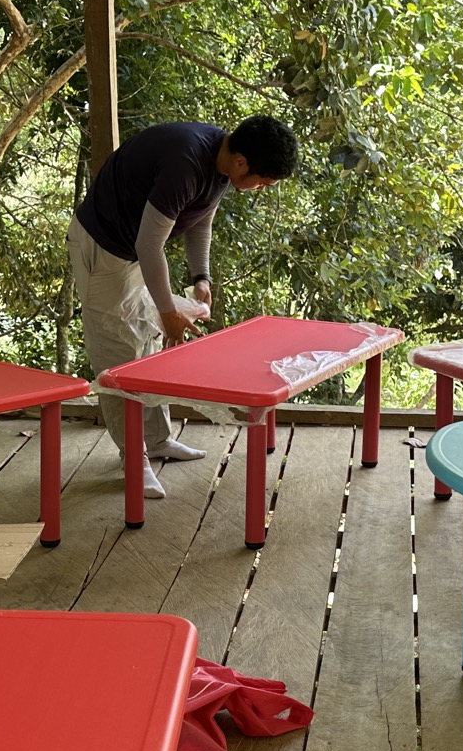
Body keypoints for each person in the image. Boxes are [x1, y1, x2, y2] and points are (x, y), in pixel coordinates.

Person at [69, 115, 298, 499]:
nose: (259, 189)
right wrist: (168, 310)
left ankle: (158, 441)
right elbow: (149, 246)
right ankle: (133, 459)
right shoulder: (185, 163)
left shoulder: (222, 167)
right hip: (104, 248)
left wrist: (201, 277)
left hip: (133, 255)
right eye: (263, 181)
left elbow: (200, 221)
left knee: (149, 347)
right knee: (118, 358)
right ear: (242, 162)